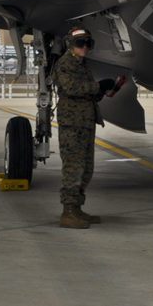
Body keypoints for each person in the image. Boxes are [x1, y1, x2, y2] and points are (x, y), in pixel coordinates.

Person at [51, 25, 116, 229]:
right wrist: (98, 86)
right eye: (81, 43)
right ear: (71, 45)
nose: (85, 47)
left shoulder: (82, 65)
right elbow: (71, 88)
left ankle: (77, 208)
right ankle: (68, 212)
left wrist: (102, 91)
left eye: (88, 43)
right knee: (74, 167)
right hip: (73, 124)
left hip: (85, 121)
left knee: (86, 168)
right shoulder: (65, 63)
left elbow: (87, 93)